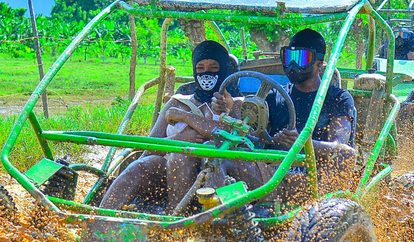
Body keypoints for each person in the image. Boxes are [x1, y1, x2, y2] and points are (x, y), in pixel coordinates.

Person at [99, 40, 240, 212]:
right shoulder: (178, 102)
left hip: (218, 171)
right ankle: (99, 218)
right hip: (169, 171)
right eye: (200, 68)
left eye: (213, 68)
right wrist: (179, 139)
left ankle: (192, 221)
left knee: (193, 155)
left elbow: (239, 139)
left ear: (224, 70)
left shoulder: (238, 104)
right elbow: (148, 149)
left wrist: (187, 118)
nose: (206, 73)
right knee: (141, 165)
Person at [220, 28, 356, 202]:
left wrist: (301, 143)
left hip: (314, 181)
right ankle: (224, 216)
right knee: (221, 159)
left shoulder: (338, 99)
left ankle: (321, 214)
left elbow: (340, 147)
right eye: (289, 58)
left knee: (345, 155)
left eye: (300, 59)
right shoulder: (272, 96)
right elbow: (250, 138)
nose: (292, 65)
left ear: (319, 63)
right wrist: (231, 111)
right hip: (272, 176)